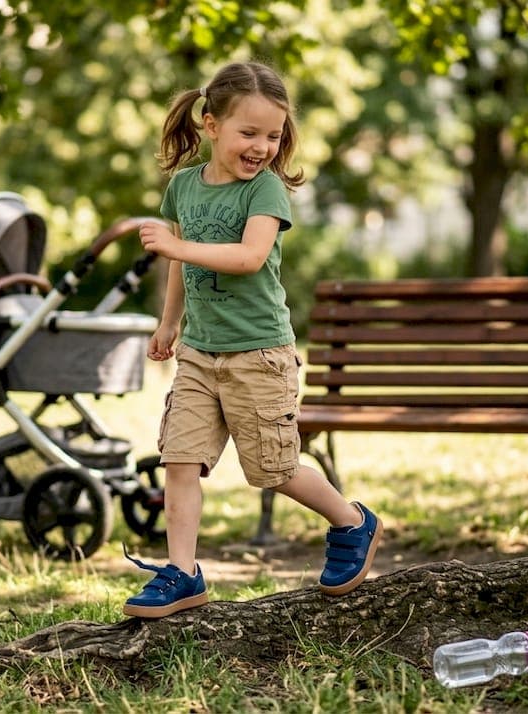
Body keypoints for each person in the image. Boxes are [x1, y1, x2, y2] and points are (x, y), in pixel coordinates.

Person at [123, 61, 381, 618]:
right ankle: (182, 572)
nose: (262, 147)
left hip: (259, 355)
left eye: (273, 135)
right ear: (211, 125)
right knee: (179, 459)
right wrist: (169, 323)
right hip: (199, 354)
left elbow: (249, 257)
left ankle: (352, 522)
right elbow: (180, 267)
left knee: (273, 471)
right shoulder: (184, 186)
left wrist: (176, 247)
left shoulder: (266, 190)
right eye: (250, 133)